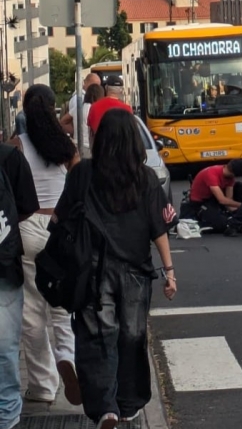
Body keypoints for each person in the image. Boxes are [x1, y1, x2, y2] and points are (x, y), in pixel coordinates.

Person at [52, 109, 177, 429]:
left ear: (100, 138)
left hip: (92, 275)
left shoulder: (82, 174)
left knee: (96, 341)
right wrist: (170, 271)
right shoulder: (146, 177)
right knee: (131, 341)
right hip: (135, 276)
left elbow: (60, 219)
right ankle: (128, 405)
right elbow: (158, 229)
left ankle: (104, 408)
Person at [9, 84, 82, 408]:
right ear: (54, 109)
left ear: (24, 110)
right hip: (59, 228)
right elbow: (80, 190)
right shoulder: (67, 147)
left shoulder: (16, 146)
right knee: (63, 303)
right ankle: (68, 356)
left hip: (26, 229)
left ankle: (41, 385)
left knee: (32, 312)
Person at [0, 142, 39, 429]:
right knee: (5, 346)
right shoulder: (10, 157)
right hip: (4, 264)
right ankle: (7, 414)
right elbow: (26, 207)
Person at [184, 160, 242, 233]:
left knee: (239, 187)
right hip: (200, 202)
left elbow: (229, 201)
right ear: (233, 173)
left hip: (213, 199)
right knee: (221, 225)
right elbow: (222, 200)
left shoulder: (230, 178)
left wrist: (240, 212)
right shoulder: (212, 174)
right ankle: (199, 223)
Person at [73, 83, 104, 152]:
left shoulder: (78, 107)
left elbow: (64, 120)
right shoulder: (93, 108)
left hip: (76, 144)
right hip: (88, 146)